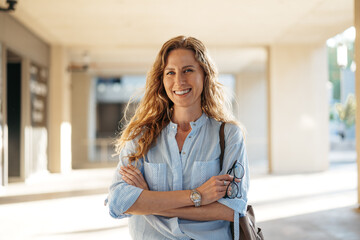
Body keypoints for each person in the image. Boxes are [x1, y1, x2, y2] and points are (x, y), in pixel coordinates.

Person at [106, 35, 249, 240]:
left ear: (204, 74)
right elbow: (118, 203)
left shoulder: (229, 135)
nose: (179, 81)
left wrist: (150, 201)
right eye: (170, 72)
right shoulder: (140, 136)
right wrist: (198, 196)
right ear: (161, 79)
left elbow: (231, 210)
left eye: (188, 70)